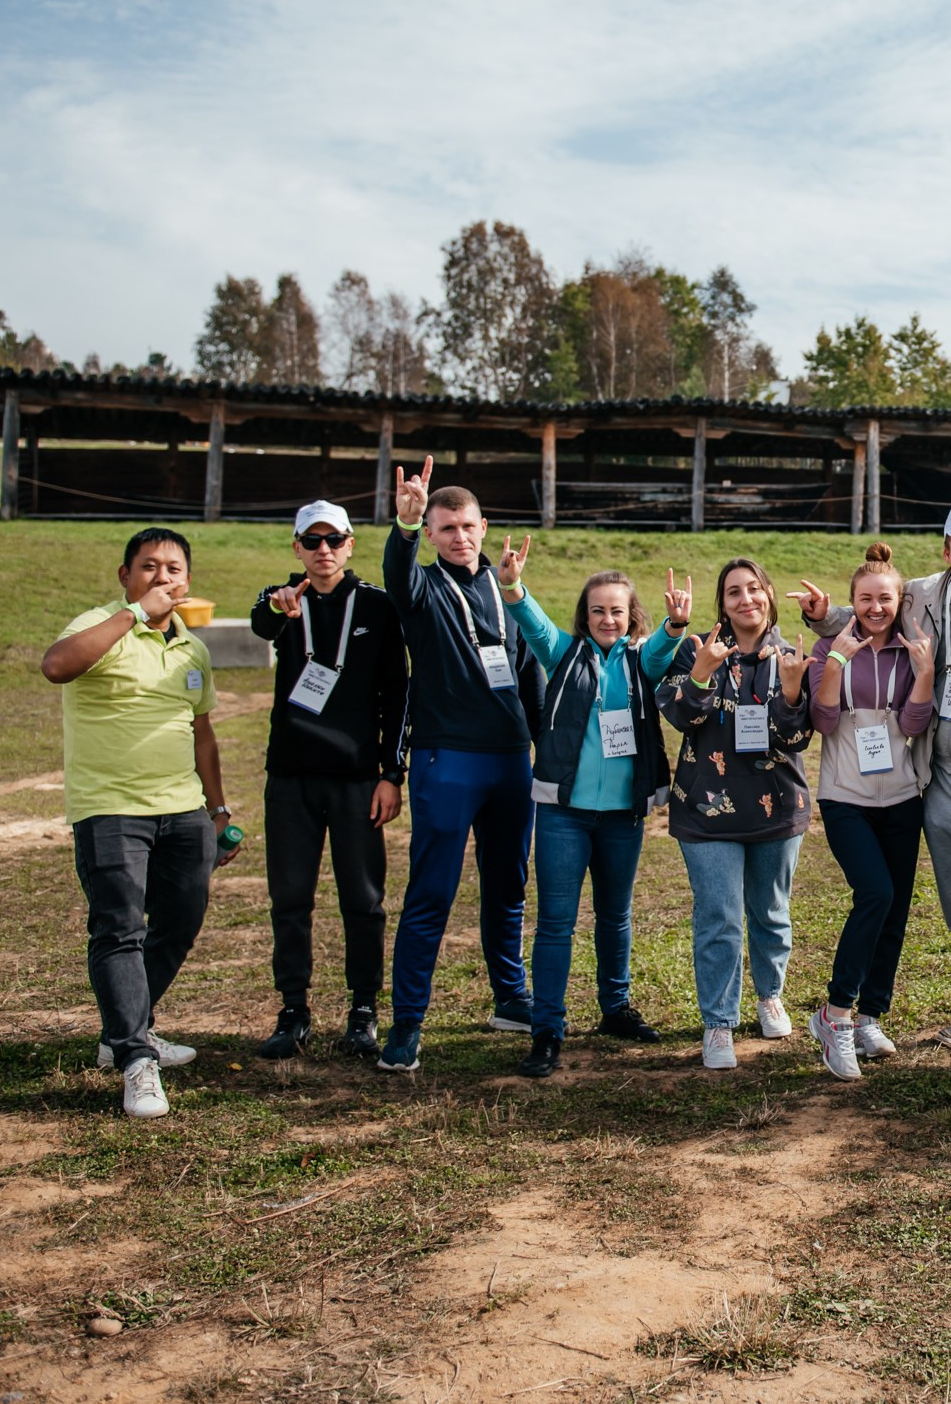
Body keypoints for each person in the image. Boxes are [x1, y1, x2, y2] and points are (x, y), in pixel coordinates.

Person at [794, 501, 951, 1076]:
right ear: (946, 553)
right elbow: (873, 607)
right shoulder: (924, 594)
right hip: (936, 779)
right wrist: (826, 617)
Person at [40, 527, 242, 1119]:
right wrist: (133, 615)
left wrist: (217, 809)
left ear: (188, 580)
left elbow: (201, 733)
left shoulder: (191, 648)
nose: (163, 577)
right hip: (110, 808)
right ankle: (135, 1057)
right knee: (120, 929)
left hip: (182, 811)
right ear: (125, 576)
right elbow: (56, 666)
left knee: (180, 922)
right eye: (149, 566)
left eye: (174, 568)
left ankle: (124, 1029)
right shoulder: (100, 624)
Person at [378, 456, 545, 1071]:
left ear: (483, 527)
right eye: (446, 528)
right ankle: (407, 1023)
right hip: (447, 759)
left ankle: (511, 997)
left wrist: (547, 751)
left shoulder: (505, 590)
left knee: (508, 886)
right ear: (431, 533)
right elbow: (397, 575)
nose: (459, 537)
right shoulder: (421, 588)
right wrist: (403, 525)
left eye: (467, 526)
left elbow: (529, 674)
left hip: (510, 761)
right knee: (432, 892)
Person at [498, 549, 690, 1076]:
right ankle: (547, 1029)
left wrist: (675, 623)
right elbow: (532, 623)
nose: (608, 619)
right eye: (598, 611)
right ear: (585, 616)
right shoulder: (562, 653)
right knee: (556, 923)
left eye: (618, 611)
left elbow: (662, 649)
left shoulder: (640, 661)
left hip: (622, 818)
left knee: (615, 916)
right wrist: (513, 587)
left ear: (632, 616)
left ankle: (615, 1008)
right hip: (564, 815)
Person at [247, 500, 409, 1062]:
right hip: (291, 777)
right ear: (297, 547)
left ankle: (363, 1010)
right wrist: (277, 606)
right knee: (290, 897)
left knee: (362, 899)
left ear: (349, 544)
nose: (323, 551)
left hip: (357, 779)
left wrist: (392, 774)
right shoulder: (283, 599)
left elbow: (397, 693)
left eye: (333, 540)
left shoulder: (378, 606)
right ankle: (293, 1010)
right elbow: (261, 622)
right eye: (312, 541)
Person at [658, 556, 813, 1070]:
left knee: (770, 911)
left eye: (753, 589)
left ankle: (770, 995)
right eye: (733, 592)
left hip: (776, 808)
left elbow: (797, 738)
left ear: (768, 595)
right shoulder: (694, 650)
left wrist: (791, 690)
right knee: (719, 916)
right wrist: (701, 673)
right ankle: (719, 1021)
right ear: (722, 605)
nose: (746, 599)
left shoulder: (789, 655)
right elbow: (678, 715)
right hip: (706, 812)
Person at [805, 544, 937, 1080]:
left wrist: (925, 673)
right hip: (845, 797)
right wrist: (837, 661)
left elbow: (911, 726)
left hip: (902, 797)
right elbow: (823, 720)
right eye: (865, 599)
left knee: (895, 908)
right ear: (852, 602)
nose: (876, 608)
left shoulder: (911, 651)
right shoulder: (827, 647)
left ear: (899, 601)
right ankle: (835, 1015)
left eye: (885, 599)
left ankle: (870, 1016)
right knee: (875, 893)